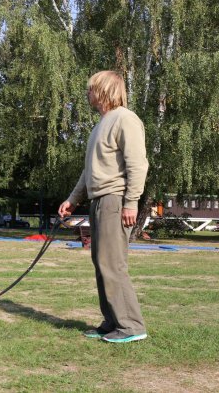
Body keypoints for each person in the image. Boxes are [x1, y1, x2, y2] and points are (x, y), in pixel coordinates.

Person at [58, 70, 149, 343]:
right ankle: (112, 322)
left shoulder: (126, 119)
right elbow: (89, 172)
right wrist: (72, 200)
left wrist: (131, 203)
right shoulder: (100, 125)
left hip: (114, 199)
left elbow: (137, 165)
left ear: (104, 90)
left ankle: (131, 326)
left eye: (91, 89)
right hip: (98, 200)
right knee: (101, 262)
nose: (87, 93)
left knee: (113, 263)